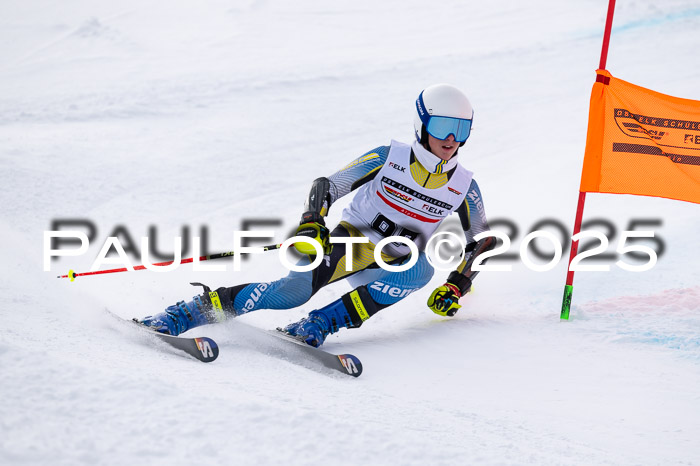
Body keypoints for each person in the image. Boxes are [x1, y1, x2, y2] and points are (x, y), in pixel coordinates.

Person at [138, 83, 495, 347]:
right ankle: (187, 312)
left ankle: (318, 325)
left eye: (461, 129)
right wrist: (314, 222)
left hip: (396, 259)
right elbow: (330, 186)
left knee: (422, 269)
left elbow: (480, 242)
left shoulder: (464, 186)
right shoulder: (390, 157)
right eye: (442, 127)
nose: (451, 139)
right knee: (292, 291)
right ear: (422, 124)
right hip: (353, 241)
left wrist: (457, 285)